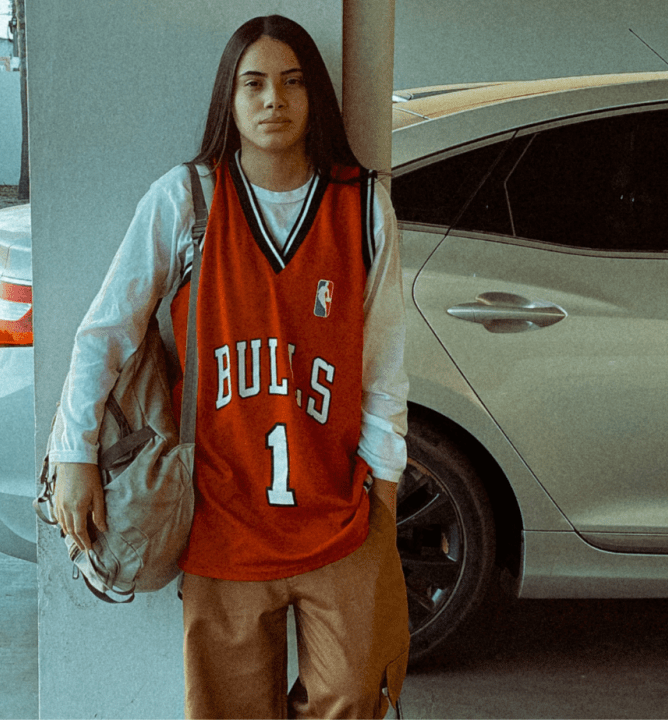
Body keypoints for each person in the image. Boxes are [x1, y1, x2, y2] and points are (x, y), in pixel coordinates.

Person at [50, 14, 410, 719]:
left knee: (352, 695)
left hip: (337, 509)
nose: (273, 99)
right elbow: (105, 333)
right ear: (229, 99)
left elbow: (383, 368)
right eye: (254, 84)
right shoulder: (184, 200)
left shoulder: (363, 204)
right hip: (219, 513)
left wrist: (385, 495)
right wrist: (73, 454)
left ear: (315, 98)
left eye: (292, 82)